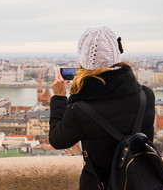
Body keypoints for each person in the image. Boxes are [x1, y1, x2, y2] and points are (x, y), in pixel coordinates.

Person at [49, 26, 155, 189]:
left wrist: (59, 97)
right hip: (142, 183)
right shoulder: (146, 96)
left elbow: (57, 139)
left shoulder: (80, 110)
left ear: (82, 62)